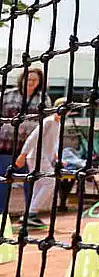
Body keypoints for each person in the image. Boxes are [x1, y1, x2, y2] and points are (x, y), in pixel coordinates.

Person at [0, 66, 49, 220]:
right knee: (3, 182)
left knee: (31, 183)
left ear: (39, 82)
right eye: (28, 79)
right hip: (6, 147)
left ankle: (30, 215)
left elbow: (46, 125)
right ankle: (1, 215)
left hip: (30, 151)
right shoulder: (7, 95)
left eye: (35, 80)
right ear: (22, 79)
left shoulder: (43, 99)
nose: (31, 82)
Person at [15, 97, 70, 231]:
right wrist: (23, 154)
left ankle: (29, 214)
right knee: (50, 183)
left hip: (42, 157)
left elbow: (51, 143)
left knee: (40, 185)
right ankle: (31, 214)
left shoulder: (58, 124)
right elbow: (33, 137)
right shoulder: (49, 121)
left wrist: (56, 157)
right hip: (37, 157)